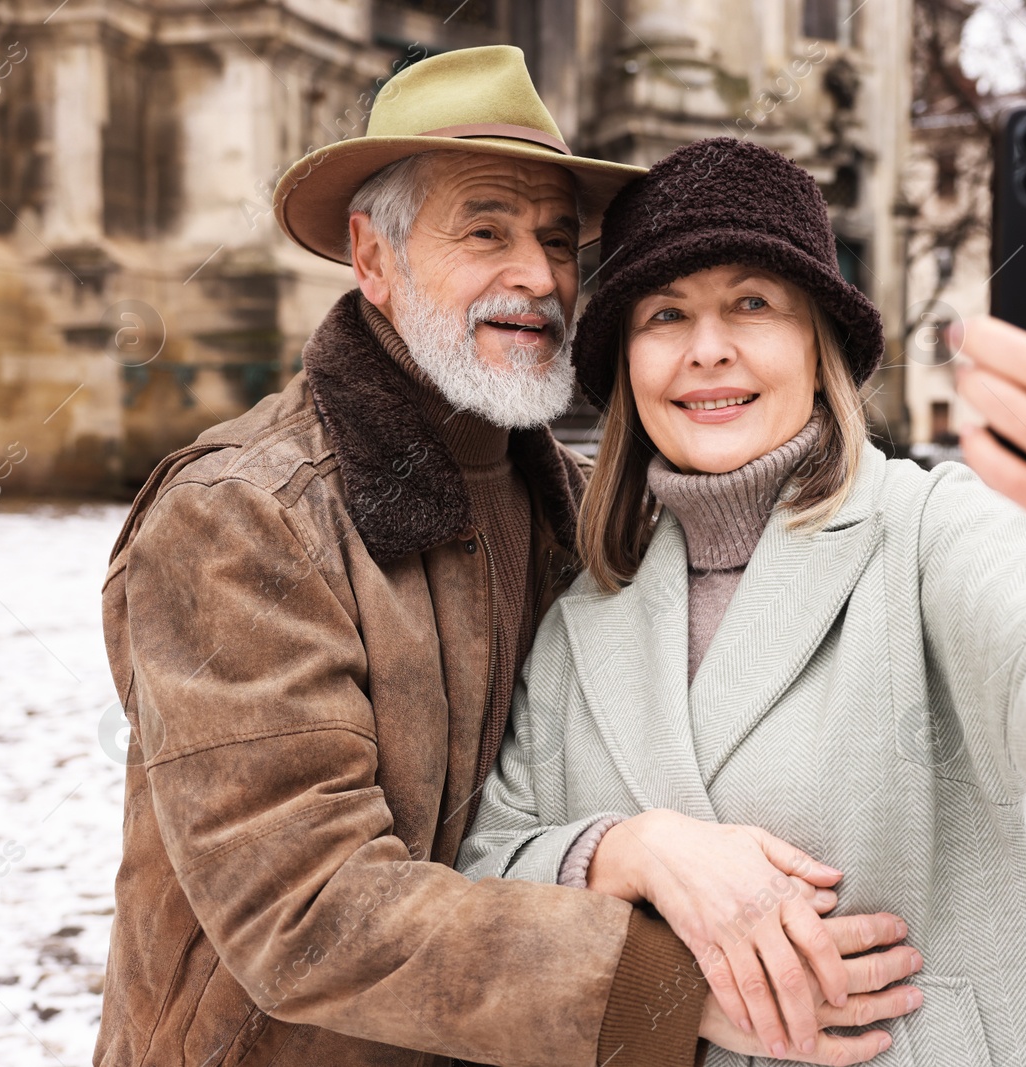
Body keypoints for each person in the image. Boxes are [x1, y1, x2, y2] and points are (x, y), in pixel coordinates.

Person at [96, 51, 913, 1067]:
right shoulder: (242, 518)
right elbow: (304, 907)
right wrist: (665, 983)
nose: (536, 275)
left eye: (557, 239)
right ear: (374, 257)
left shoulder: (582, 510)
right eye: (485, 230)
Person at [457, 137, 1026, 1065]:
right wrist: (634, 858)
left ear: (820, 341)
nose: (706, 349)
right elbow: (491, 866)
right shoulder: (589, 603)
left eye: (752, 303)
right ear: (630, 364)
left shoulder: (929, 534)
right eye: (665, 314)